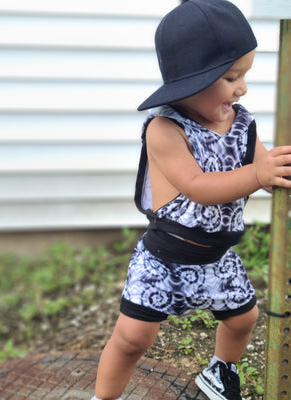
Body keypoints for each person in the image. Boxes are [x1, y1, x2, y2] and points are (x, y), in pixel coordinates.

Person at [92, 1, 291, 399]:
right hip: (164, 257)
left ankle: (220, 370)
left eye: (246, 75)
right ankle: (103, 397)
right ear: (191, 82)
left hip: (216, 257)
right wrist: (256, 174)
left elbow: (264, 169)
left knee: (242, 318)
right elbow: (198, 185)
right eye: (232, 76)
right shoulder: (165, 129)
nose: (243, 88)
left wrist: (274, 173)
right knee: (133, 337)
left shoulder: (242, 123)